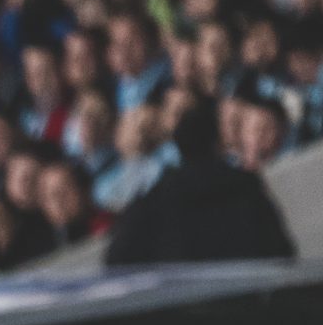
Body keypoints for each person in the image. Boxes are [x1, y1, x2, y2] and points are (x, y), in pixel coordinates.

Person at [103, 99, 295, 267]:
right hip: (244, 290)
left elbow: (118, 258)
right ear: (217, 143)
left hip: (189, 295)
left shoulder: (157, 199)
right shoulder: (244, 186)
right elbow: (281, 250)